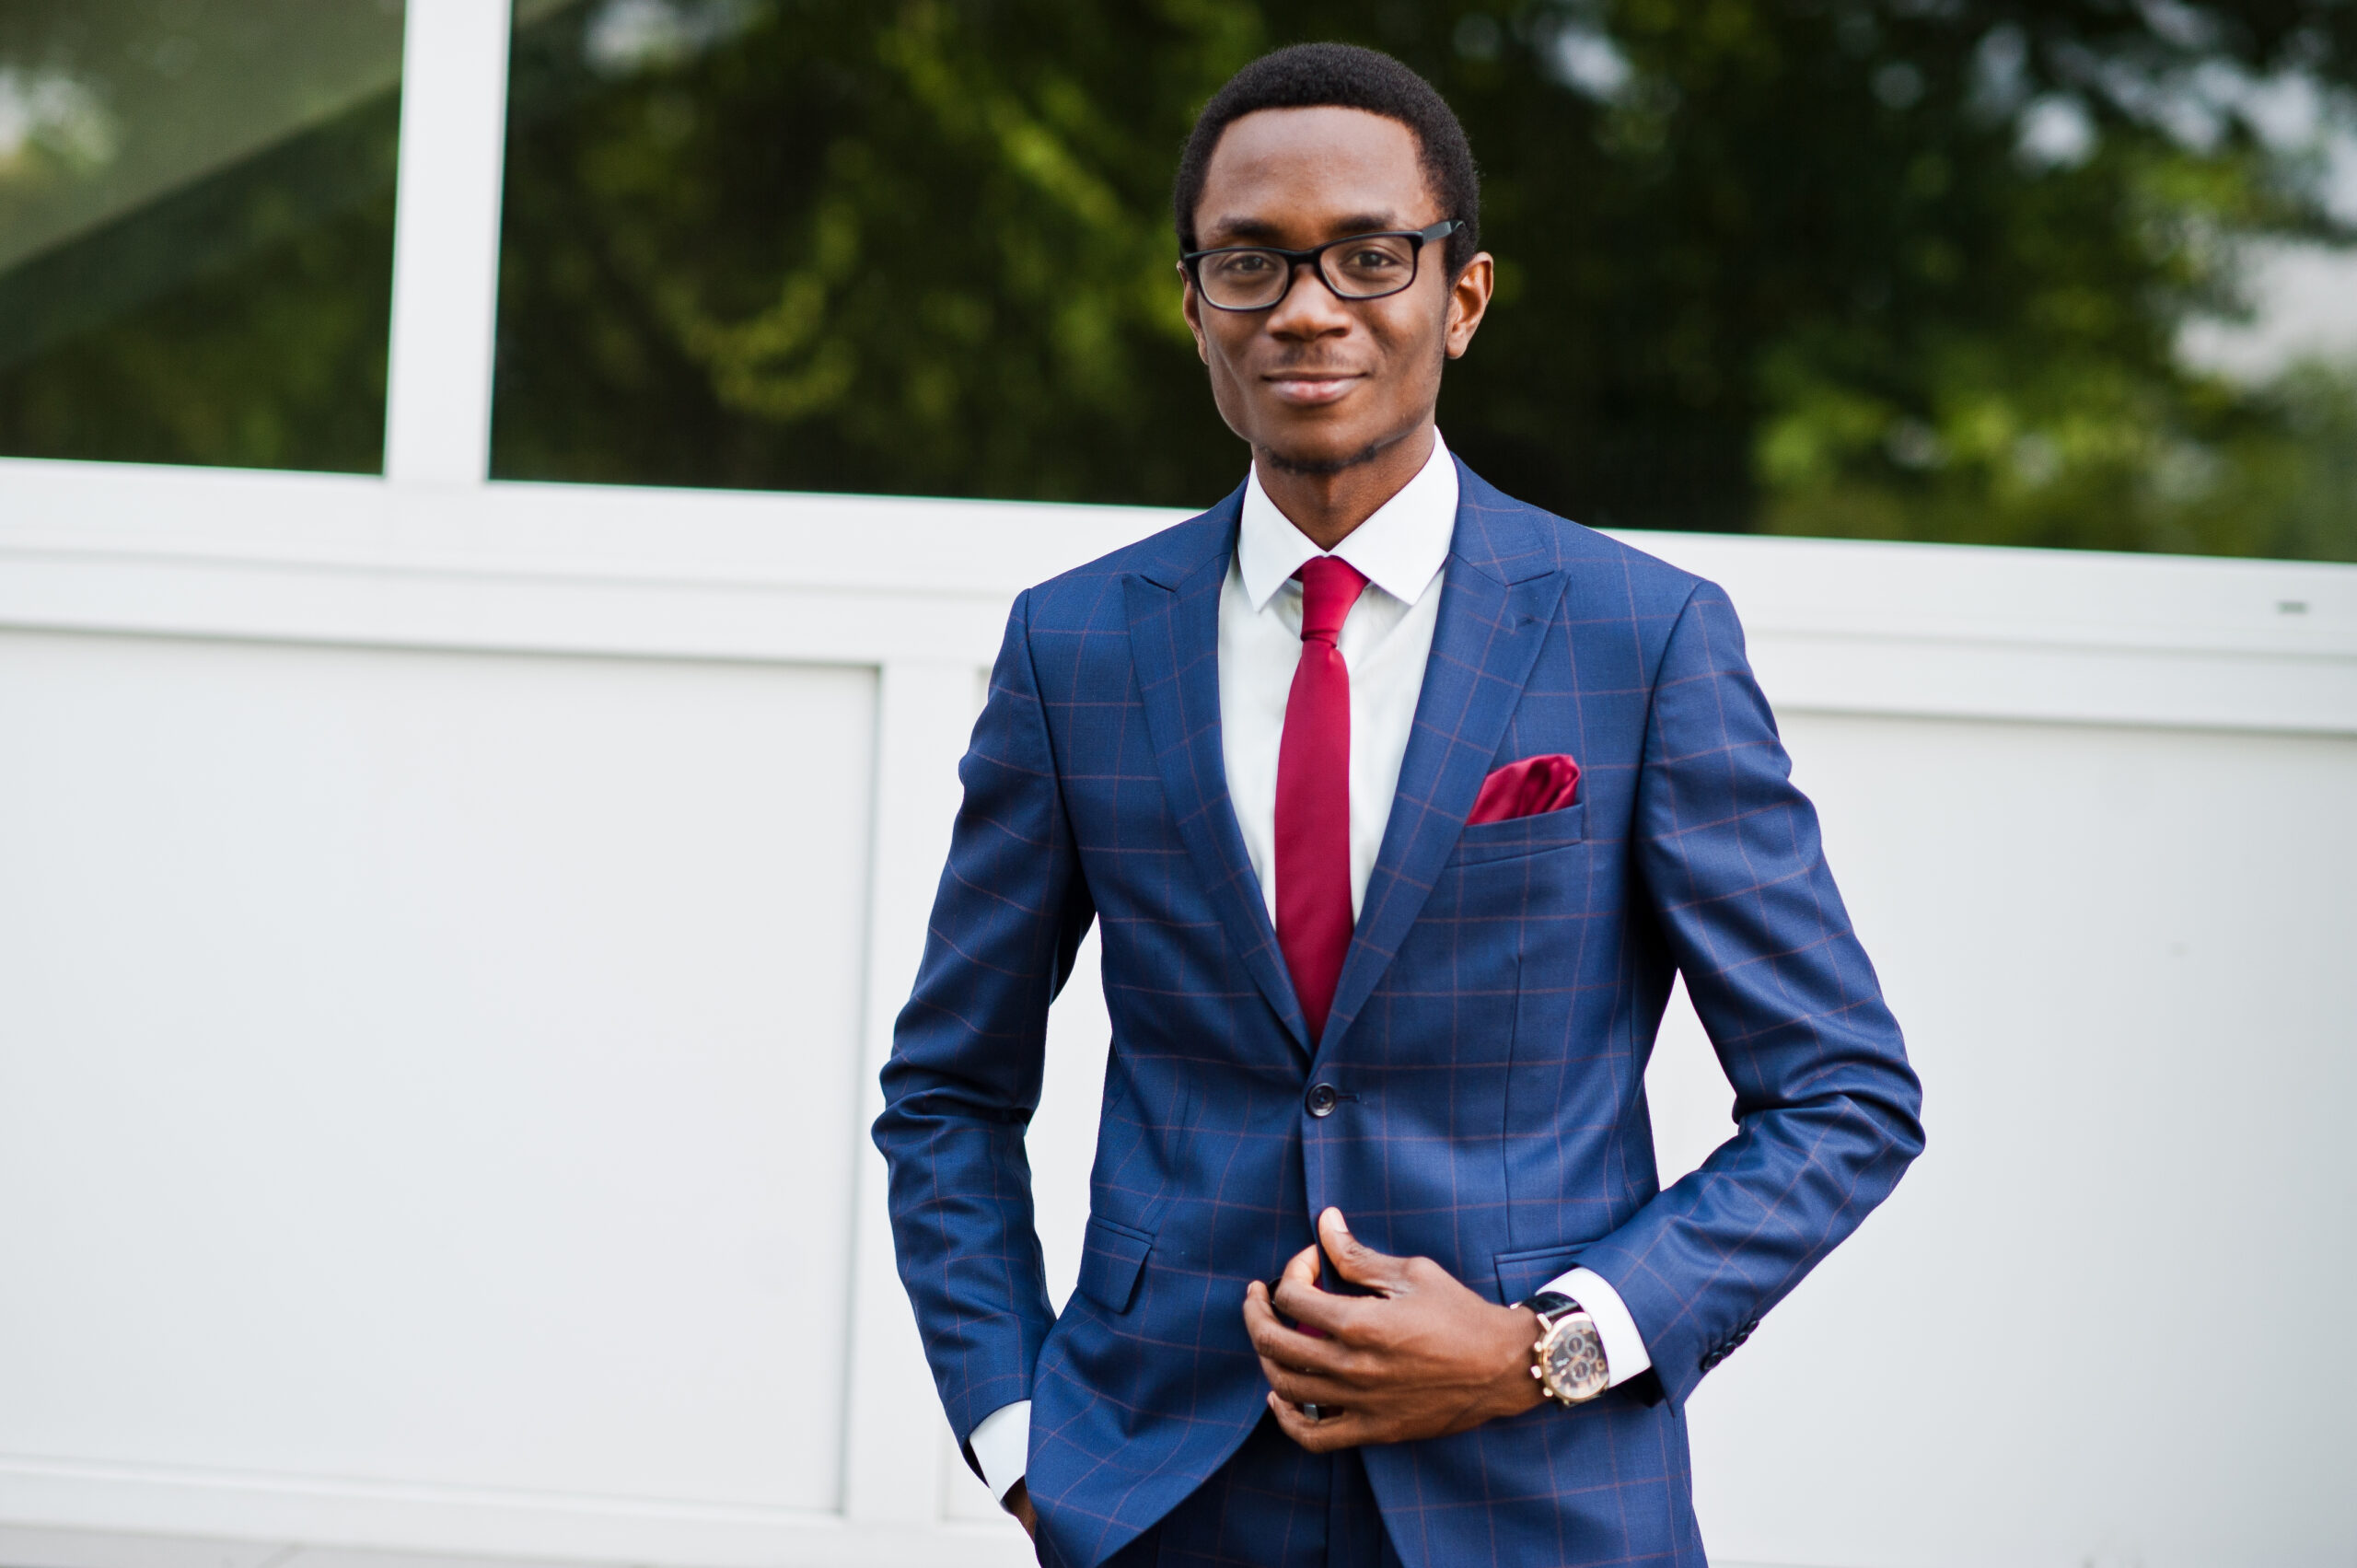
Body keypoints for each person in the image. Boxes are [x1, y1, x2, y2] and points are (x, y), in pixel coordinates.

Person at [874, 41, 1923, 1568]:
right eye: (1250, 262)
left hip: (1539, 1499)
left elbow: (1843, 1096)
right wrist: (1026, 1444)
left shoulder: (1639, 639)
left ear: (1464, 296)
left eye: (1370, 257)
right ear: (1194, 307)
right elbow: (949, 1092)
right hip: (1162, 1497)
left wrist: (1541, 1348)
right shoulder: (1075, 647)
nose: (1308, 308)